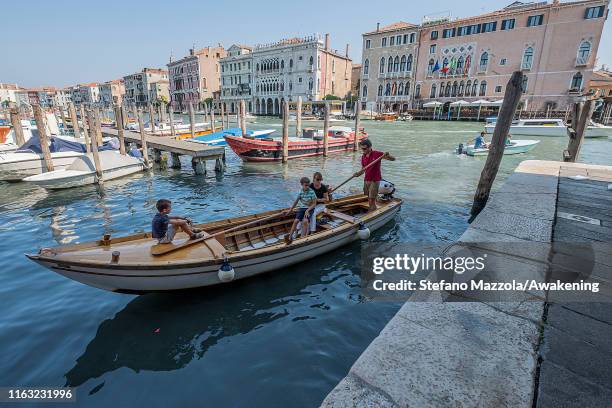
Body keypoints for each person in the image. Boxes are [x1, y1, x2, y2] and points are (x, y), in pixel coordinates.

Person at [353, 139, 395, 211]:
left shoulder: (377, 154)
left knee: (371, 199)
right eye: (362, 148)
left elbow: (393, 159)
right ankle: (375, 202)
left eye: (364, 148)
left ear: (370, 147)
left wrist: (388, 155)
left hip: (375, 180)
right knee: (367, 198)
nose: (363, 150)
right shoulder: (363, 157)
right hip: (367, 180)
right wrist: (357, 174)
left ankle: (372, 212)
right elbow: (363, 170)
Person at [284, 177, 317, 244]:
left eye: (308, 185)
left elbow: (314, 204)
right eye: (305, 185)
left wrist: (308, 210)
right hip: (302, 208)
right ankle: (290, 237)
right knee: (296, 221)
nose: (307, 187)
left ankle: (303, 238)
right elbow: (296, 202)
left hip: (310, 208)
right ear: (302, 185)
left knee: (305, 221)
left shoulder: (312, 192)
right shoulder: (300, 191)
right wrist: (290, 210)